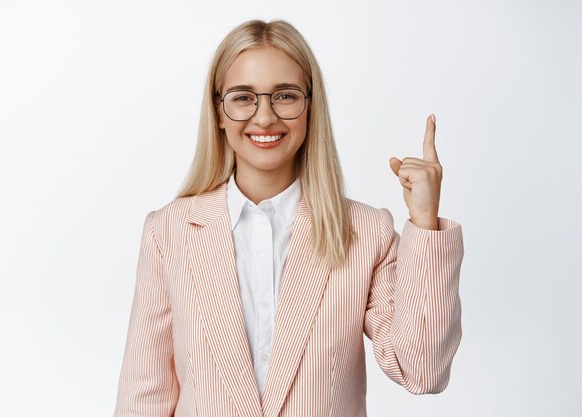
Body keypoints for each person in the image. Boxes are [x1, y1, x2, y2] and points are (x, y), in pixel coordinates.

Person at [112, 18, 464, 417]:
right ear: (219, 113)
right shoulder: (168, 232)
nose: (264, 118)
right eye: (243, 97)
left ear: (310, 108)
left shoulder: (365, 233)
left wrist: (424, 224)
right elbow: (144, 397)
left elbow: (423, 371)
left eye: (284, 96)